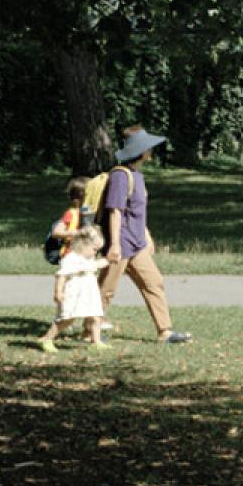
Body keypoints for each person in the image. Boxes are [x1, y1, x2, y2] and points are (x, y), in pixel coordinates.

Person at [99, 126, 191, 344]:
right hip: (120, 243)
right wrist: (114, 245)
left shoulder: (137, 175)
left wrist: (146, 236)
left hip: (137, 244)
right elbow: (115, 211)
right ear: (140, 151)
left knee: (154, 283)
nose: (152, 151)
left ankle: (165, 332)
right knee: (106, 289)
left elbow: (137, 212)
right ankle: (90, 330)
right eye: (149, 147)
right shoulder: (121, 176)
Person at [36, 224, 108, 353]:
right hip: (73, 294)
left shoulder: (88, 258)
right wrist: (58, 292)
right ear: (83, 245)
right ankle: (47, 338)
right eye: (94, 249)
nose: (96, 253)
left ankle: (96, 341)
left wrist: (111, 259)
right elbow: (61, 276)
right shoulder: (71, 259)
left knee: (96, 317)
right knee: (67, 320)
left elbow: (99, 264)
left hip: (89, 294)